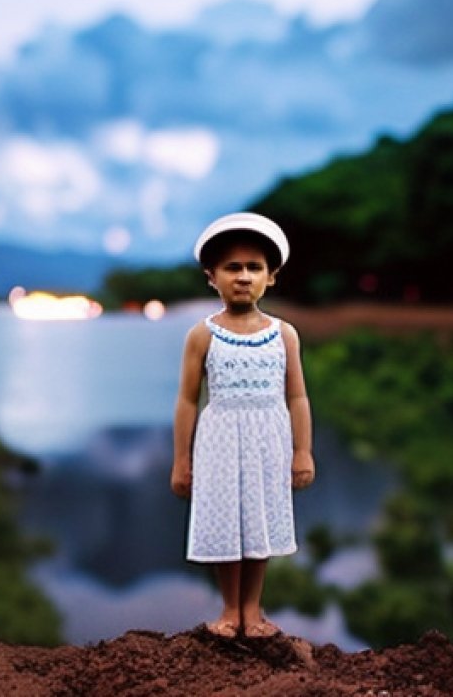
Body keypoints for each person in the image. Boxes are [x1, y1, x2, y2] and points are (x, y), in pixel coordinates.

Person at [170, 212, 315, 639]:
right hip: (218, 440)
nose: (244, 277)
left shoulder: (284, 334)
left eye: (254, 268)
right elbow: (186, 400)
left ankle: (253, 609)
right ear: (211, 277)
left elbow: (298, 397)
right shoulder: (203, 334)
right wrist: (182, 459)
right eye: (232, 268)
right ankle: (230, 609)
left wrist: (302, 451)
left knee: (259, 521)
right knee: (224, 521)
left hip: (269, 438)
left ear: (271, 277)